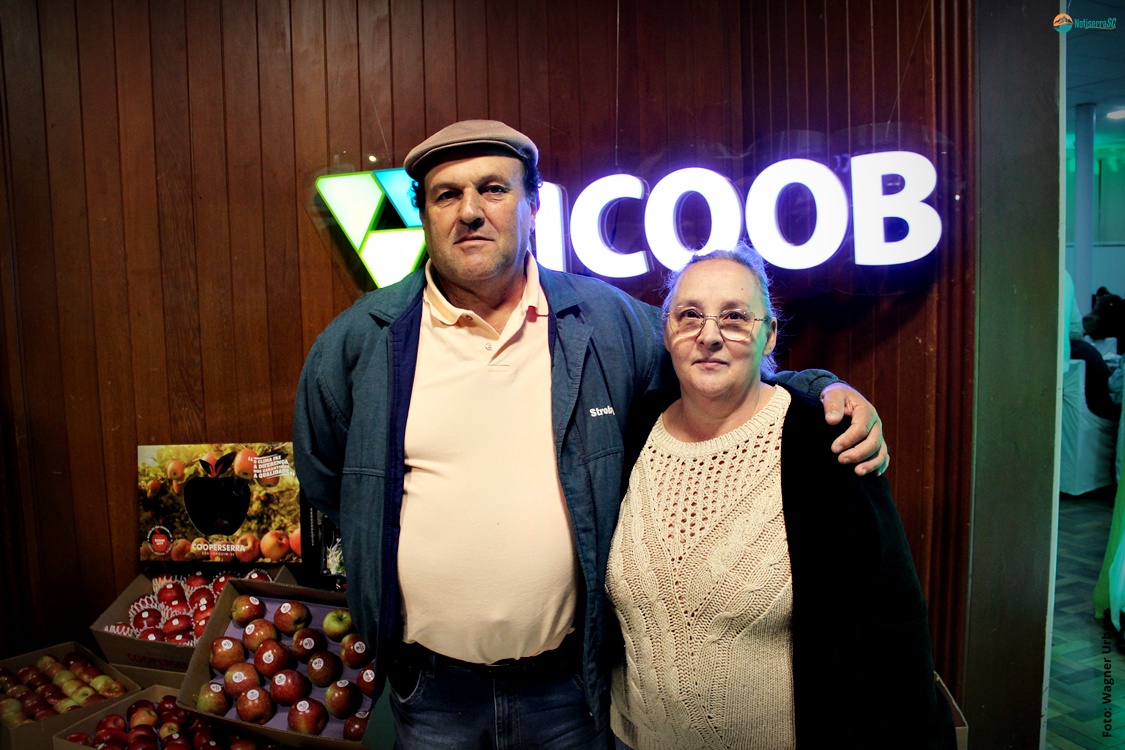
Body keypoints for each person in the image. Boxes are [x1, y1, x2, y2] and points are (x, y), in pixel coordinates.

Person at [293, 120, 888, 748]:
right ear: (423, 213)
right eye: (447, 195)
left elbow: (710, 360)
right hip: (432, 693)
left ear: (533, 206)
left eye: (493, 188)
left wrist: (818, 389)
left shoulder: (603, 320)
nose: (470, 211)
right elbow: (331, 479)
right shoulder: (363, 341)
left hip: (568, 690)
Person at [606, 245, 955, 749]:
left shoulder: (826, 441)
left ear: (769, 334)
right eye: (690, 315)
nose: (709, 335)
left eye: (734, 316)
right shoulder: (636, 429)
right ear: (667, 331)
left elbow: (893, 619)